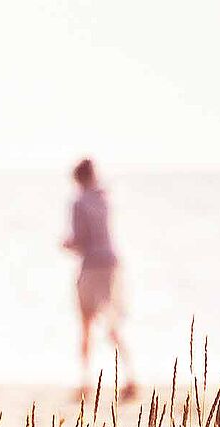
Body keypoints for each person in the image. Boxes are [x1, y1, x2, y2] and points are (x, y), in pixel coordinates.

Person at [62, 158, 137, 400]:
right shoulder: (105, 198)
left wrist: (66, 245)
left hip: (92, 265)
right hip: (113, 264)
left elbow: (80, 241)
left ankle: (85, 382)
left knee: (85, 325)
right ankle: (131, 376)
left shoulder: (79, 202)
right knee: (113, 325)